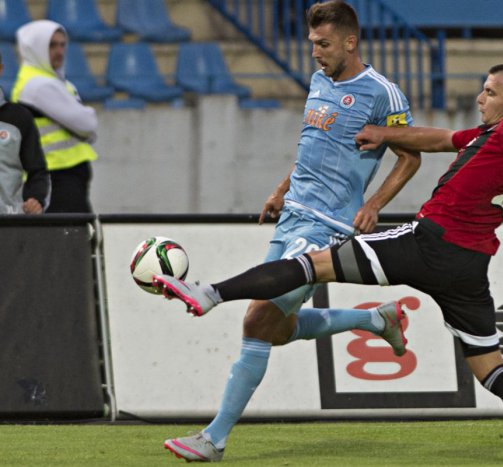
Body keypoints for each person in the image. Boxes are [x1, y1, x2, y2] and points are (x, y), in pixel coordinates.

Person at [155, 63, 503, 464]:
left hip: (427, 243)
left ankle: (209, 293)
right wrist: (386, 134)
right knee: (491, 368)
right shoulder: (486, 135)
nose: (480, 96)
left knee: (312, 265)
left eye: (490, 91)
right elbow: (436, 139)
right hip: (467, 268)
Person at [161, 1, 421, 462]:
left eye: (323, 44)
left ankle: (214, 438)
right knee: (275, 331)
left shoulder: (384, 94)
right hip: (294, 212)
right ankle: (374, 319)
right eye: (312, 44)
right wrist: (281, 188)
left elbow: (410, 156)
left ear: (349, 41)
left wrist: (375, 203)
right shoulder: (320, 81)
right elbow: (312, 143)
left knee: (257, 319)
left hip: (328, 223)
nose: (315, 53)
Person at [12, 20, 98, 213]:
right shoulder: (39, 85)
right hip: (57, 176)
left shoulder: (49, 80)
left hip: (63, 174)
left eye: (62, 44)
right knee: (70, 238)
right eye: (51, 45)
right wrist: (88, 114)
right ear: (36, 48)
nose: (59, 51)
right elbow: (87, 123)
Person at [0, 51, 50, 214]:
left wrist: (36, 199)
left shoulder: (19, 118)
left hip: (9, 226)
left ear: (0, 70)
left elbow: (38, 172)